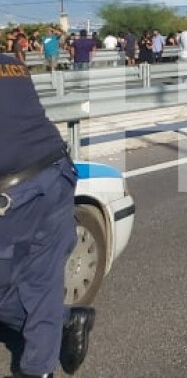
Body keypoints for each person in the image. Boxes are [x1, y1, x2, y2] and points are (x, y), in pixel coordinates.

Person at [0, 53, 96, 377]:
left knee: (23, 285)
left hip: (19, 194)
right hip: (56, 173)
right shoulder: (11, 63)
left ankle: (62, 323)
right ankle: (60, 330)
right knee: (41, 284)